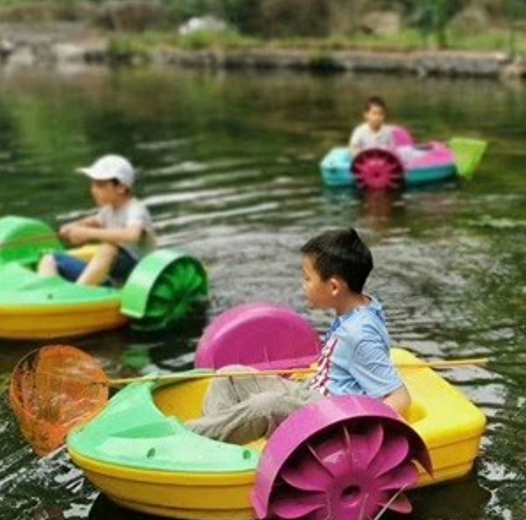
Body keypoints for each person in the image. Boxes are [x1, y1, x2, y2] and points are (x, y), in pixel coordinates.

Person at [187, 227, 409, 443]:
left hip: (328, 415)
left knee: (265, 407)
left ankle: (186, 436)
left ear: (334, 287)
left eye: (307, 278)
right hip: (312, 391)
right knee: (230, 376)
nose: (303, 286)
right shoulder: (361, 305)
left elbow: (400, 397)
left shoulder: (359, 335)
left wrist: (361, 434)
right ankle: (213, 442)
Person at [36, 154, 156, 286]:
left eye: (100, 185)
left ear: (121, 188)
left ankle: (78, 292)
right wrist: (73, 227)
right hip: (112, 277)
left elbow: (132, 235)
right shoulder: (108, 210)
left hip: (140, 278)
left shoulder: (135, 209)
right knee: (50, 259)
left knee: (108, 248)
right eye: (93, 185)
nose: (93, 190)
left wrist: (87, 233)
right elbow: (94, 222)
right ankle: (48, 294)